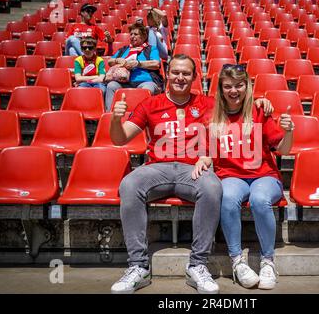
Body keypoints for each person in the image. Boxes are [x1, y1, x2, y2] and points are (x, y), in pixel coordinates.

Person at [109, 54, 274, 294]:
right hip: (157, 167)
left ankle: (198, 265)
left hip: (194, 168)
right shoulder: (149, 104)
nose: (180, 77)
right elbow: (119, 138)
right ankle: (138, 266)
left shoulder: (208, 103)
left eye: (186, 73)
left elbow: (238, 102)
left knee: (213, 188)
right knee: (129, 185)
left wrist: (260, 102)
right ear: (168, 75)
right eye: (175, 71)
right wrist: (116, 119)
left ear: (195, 77)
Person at [192, 64, 294, 290]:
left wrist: (289, 132)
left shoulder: (259, 111)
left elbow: (284, 150)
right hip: (231, 175)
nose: (234, 91)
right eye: (228, 86)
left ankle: (267, 261)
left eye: (239, 85)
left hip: (264, 175)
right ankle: (237, 261)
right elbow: (206, 151)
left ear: (247, 86)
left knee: (259, 199)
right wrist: (203, 158)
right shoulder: (211, 117)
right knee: (227, 199)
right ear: (220, 89)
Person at [105, 23, 163, 112]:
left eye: (135, 34)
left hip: (145, 81)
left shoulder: (151, 49)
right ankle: (109, 116)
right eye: (131, 34)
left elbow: (156, 64)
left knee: (147, 89)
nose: (132, 36)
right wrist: (117, 60)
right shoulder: (124, 49)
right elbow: (110, 61)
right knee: (111, 86)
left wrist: (138, 64)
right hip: (124, 82)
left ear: (144, 36)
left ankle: (142, 117)